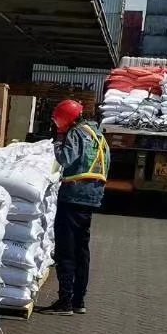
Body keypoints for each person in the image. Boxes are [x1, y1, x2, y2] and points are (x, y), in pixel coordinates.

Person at [47, 99, 111, 315]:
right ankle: (78, 301)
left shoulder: (75, 133)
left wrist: (59, 141)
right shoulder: (98, 135)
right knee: (82, 251)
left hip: (73, 197)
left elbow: (65, 158)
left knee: (66, 249)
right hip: (92, 197)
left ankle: (65, 301)